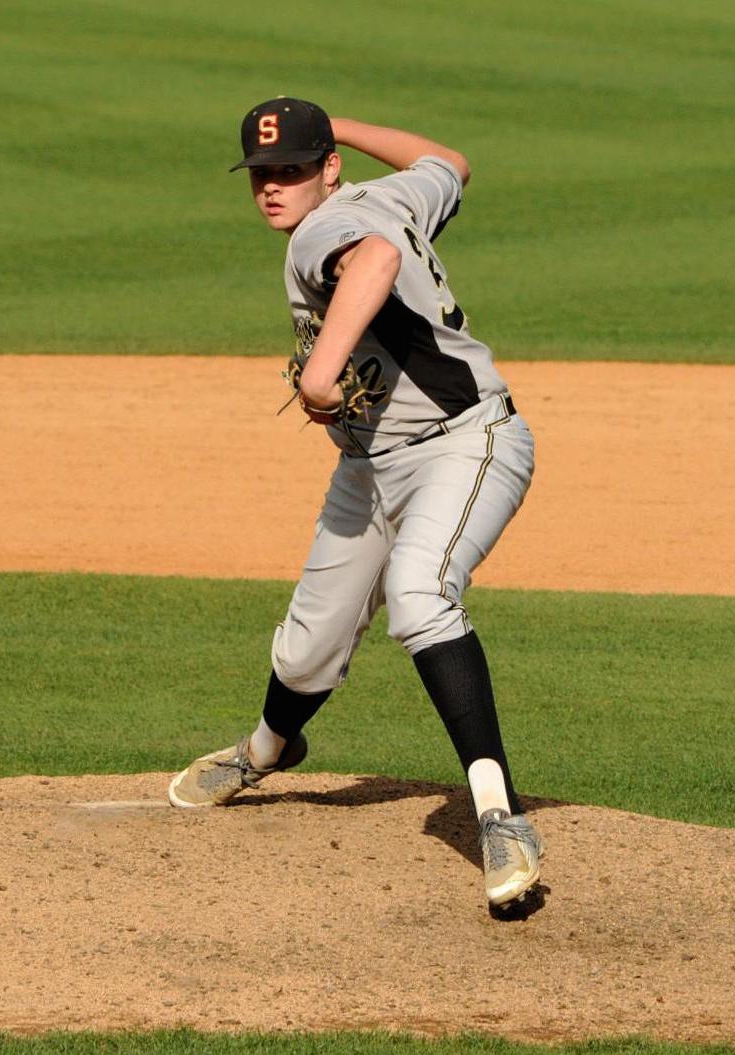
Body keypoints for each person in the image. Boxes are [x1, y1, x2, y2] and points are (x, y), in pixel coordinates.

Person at [168, 97, 543, 909]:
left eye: (291, 169)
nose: (272, 187)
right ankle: (264, 750)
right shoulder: (395, 193)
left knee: (419, 595)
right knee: (305, 651)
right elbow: (449, 161)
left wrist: (318, 371)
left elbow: (372, 259)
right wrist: (336, 125)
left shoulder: (324, 231)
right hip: (368, 468)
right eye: (260, 174)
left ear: (326, 172)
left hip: (464, 446)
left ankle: (500, 816)